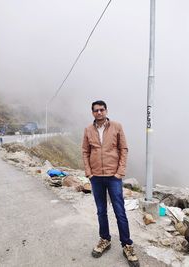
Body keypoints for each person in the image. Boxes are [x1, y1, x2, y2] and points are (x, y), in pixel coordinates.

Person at [82, 100, 139, 267]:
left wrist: (120, 172)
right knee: (101, 211)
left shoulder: (116, 126)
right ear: (92, 113)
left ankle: (127, 245)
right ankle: (105, 239)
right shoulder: (88, 130)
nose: (99, 113)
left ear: (106, 110)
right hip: (96, 177)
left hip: (114, 176)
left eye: (101, 109)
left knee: (120, 211)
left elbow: (124, 149)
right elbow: (85, 151)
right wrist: (89, 173)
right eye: (95, 110)